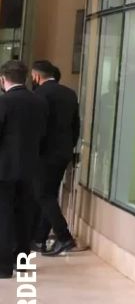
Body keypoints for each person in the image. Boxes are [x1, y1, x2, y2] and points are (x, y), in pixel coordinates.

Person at [0, 61, 47, 278]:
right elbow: (43, 133)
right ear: (26, 78)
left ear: (3, 79)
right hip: (31, 167)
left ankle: (3, 266)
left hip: (4, 168)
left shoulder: (4, 102)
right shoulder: (39, 101)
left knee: (4, 215)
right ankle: (21, 261)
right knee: (24, 214)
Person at [30, 60, 79, 256]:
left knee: (43, 195)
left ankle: (64, 236)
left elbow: (38, 127)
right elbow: (75, 125)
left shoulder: (38, 95)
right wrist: (69, 146)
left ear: (36, 76)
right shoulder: (69, 93)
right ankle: (39, 238)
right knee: (49, 194)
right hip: (63, 152)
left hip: (44, 153)